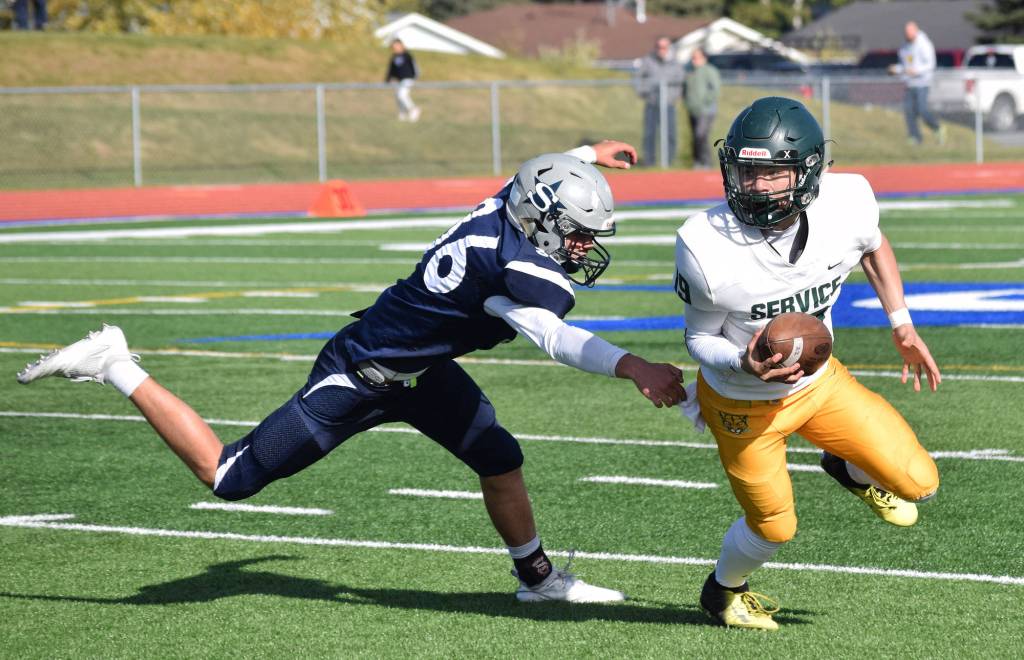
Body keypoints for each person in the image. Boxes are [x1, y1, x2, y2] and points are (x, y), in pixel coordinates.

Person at [18, 140, 687, 604]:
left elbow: (541, 173)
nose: (582, 247)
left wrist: (588, 154)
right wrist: (631, 365)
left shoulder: (506, 204)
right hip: (359, 375)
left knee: (499, 459)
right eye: (575, 233)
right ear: (538, 220)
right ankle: (114, 361)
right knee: (228, 478)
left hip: (423, 371)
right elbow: (554, 337)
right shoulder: (506, 267)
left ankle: (537, 579)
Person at [673, 97, 941, 630]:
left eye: (773, 173)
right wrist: (743, 362)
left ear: (810, 171)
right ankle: (723, 592)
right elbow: (697, 338)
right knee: (775, 526)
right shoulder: (703, 243)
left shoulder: (848, 200)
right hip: (741, 403)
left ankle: (846, 466)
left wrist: (901, 322)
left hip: (819, 385)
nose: (757, 186)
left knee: (919, 482)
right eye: (747, 171)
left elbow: (873, 245)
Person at [889, 21, 946, 145]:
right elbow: (904, 66)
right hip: (909, 83)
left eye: (910, 32)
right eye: (906, 33)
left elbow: (930, 65)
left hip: (922, 83)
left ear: (915, 31)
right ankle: (915, 137)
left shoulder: (924, 44)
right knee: (909, 111)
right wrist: (896, 69)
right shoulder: (904, 46)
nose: (907, 35)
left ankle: (937, 127)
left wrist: (917, 71)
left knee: (922, 110)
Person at [633, 37, 684, 167]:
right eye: (659, 47)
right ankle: (649, 162)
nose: (661, 50)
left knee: (670, 134)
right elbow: (638, 77)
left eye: (664, 47)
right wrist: (644, 92)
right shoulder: (648, 61)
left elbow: (680, 82)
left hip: (668, 104)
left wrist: (674, 97)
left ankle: (669, 162)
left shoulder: (675, 64)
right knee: (649, 134)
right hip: (652, 103)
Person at [682, 48, 720, 169]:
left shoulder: (710, 71)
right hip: (692, 110)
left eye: (697, 57)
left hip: (706, 110)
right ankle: (697, 161)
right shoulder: (689, 71)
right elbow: (685, 89)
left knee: (701, 135)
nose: (694, 60)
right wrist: (687, 102)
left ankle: (706, 162)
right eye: (693, 58)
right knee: (695, 136)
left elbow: (715, 90)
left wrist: (704, 102)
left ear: (704, 58)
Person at [386, 39, 420, 122]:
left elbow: (415, 67)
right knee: (398, 96)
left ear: (401, 45)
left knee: (402, 95)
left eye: (397, 45)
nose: (395, 48)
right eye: (394, 46)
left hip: (408, 79)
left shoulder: (407, 55)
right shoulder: (394, 57)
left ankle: (413, 109)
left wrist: (415, 77)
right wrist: (388, 78)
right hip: (399, 80)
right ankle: (402, 114)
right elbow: (391, 69)